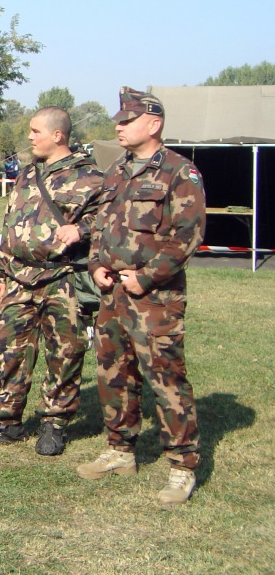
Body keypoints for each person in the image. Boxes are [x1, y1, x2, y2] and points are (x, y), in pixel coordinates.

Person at [76, 87, 206, 505]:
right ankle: (120, 450)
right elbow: (98, 223)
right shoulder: (116, 171)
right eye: (119, 119)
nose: (119, 125)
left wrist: (146, 278)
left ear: (154, 124)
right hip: (112, 294)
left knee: (166, 379)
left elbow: (188, 237)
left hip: (155, 300)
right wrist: (96, 263)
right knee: (114, 372)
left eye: (128, 120)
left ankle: (182, 467)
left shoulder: (179, 173)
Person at [0, 107, 103, 455]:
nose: (29, 136)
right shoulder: (28, 174)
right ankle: (6, 422)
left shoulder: (90, 178)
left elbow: (111, 224)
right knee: (7, 351)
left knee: (65, 353)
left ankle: (54, 424)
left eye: (35, 130)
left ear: (57, 135)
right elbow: (10, 226)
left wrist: (83, 229)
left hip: (64, 279)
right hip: (17, 278)